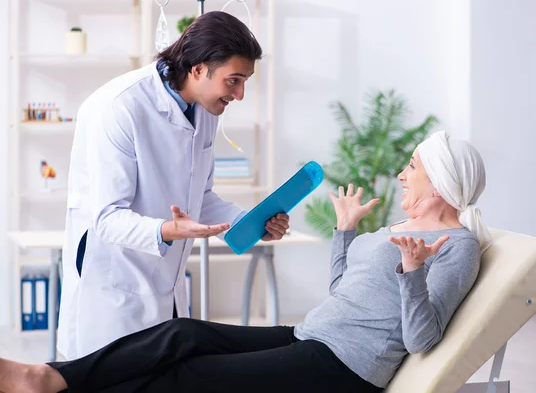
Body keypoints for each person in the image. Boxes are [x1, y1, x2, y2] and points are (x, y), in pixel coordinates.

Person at [0, 130, 492, 393]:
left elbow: (421, 340)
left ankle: (47, 386)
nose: (403, 176)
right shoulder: (394, 230)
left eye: (412, 168)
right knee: (182, 334)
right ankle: (51, 376)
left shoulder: (457, 246)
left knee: (188, 377)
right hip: (311, 335)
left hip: (344, 367)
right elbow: (343, 293)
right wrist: (345, 234)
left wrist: (411, 273)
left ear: (441, 180)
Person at [57, 11, 290, 361]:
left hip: (166, 284)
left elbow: (201, 198)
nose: (240, 94)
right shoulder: (119, 107)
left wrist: (253, 223)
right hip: (113, 286)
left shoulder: (204, 109)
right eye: (234, 80)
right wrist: (167, 230)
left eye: (245, 81)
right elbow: (106, 218)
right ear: (198, 69)